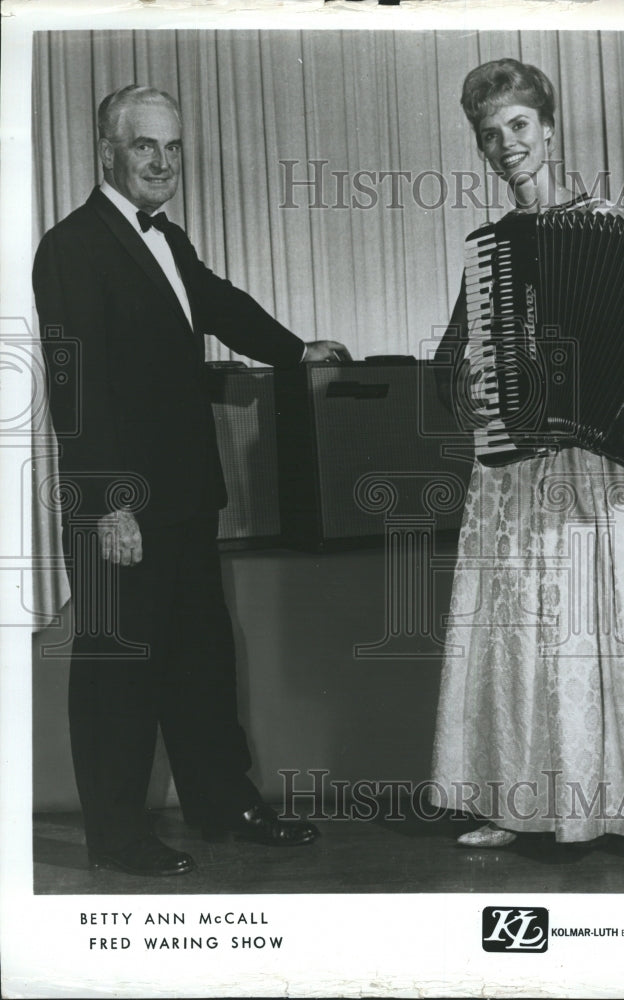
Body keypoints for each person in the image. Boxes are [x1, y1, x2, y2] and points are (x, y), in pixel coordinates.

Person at [33, 84, 349, 877]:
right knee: (119, 669)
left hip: (183, 497)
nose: (162, 162)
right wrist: (109, 504)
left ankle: (224, 805)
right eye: (146, 146)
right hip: (121, 506)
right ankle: (116, 834)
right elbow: (79, 390)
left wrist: (294, 351)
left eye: (173, 148)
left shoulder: (165, 239)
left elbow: (216, 304)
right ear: (108, 149)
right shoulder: (72, 246)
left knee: (199, 660)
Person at [429, 60, 624, 850]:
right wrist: (476, 389)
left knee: (606, 625)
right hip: (523, 471)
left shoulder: (610, 225)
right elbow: (452, 363)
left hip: (603, 469)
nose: (506, 145)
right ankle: (522, 803)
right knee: (528, 632)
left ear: (548, 130)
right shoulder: (491, 253)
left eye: (519, 126)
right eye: (491, 136)